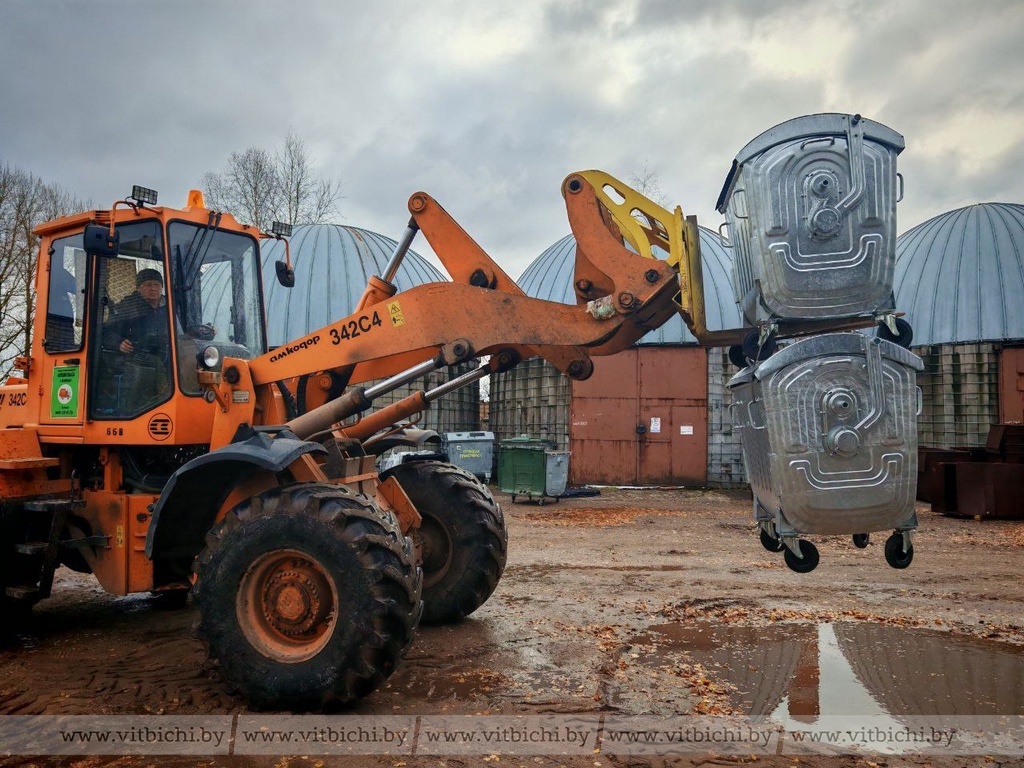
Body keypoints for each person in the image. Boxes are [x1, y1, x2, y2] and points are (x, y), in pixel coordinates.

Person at [102, 268, 171, 413]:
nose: (153, 288)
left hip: (167, 354)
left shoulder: (170, 306)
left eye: (156, 285)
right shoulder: (128, 307)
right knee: (154, 366)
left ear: (162, 287)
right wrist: (118, 343)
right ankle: (142, 408)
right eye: (148, 285)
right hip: (135, 356)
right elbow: (105, 331)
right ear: (139, 288)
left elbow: (183, 327)